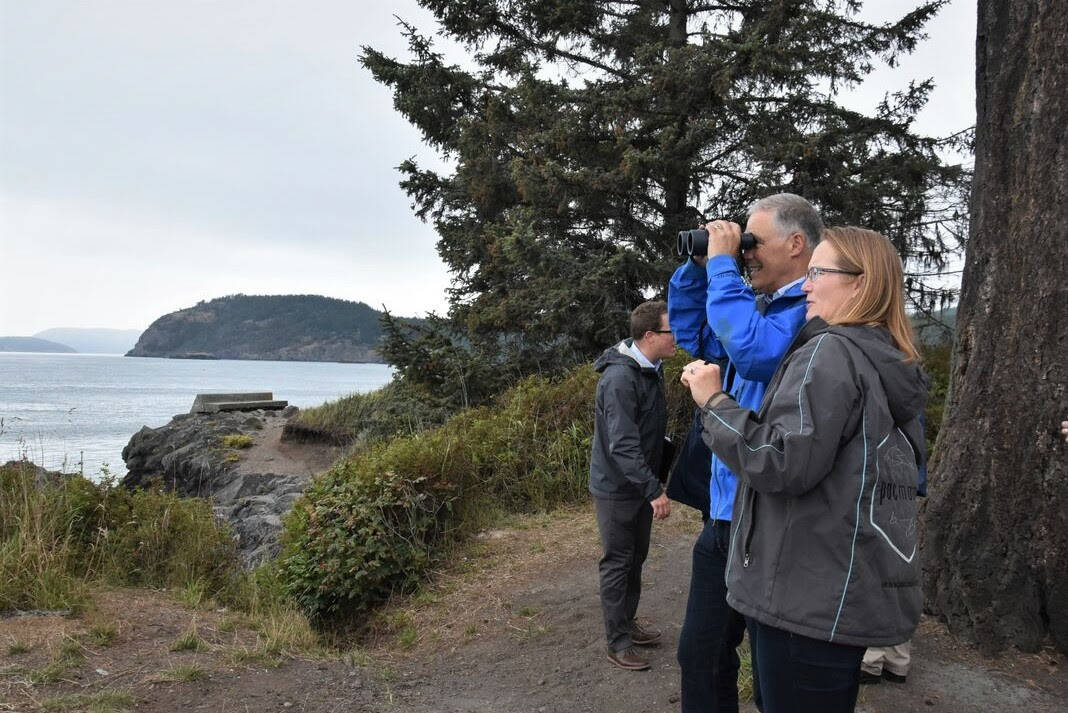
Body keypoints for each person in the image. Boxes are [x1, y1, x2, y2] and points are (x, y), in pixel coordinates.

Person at [680, 226, 928, 713]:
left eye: (818, 273)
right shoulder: (889, 359)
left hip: (805, 589)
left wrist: (714, 403)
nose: (807, 285)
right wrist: (699, 267)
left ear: (861, 283)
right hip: (839, 579)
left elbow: (781, 462)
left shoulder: (831, 351)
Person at [668, 193, 823, 712]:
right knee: (700, 652)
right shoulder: (755, 305)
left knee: (771, 663)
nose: (746, 252)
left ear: (797, 244)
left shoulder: (810, 309)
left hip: (770, 513)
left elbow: (756, 355)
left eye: (755, 242)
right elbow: (695, 334)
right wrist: (699, 268)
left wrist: (721, 267)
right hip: (723, 513)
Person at [589, 300, 676, 671]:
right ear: (650, 335)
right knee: (618, 563)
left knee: (635, 559)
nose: (678, 337)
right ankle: (618, 642)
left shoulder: (650, 370)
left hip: (637, 485)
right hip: (617, 489)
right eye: (671, 332)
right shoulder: (620, 379)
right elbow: (622, 444)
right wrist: (652, 489)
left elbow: (650, 432)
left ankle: (628, 624)